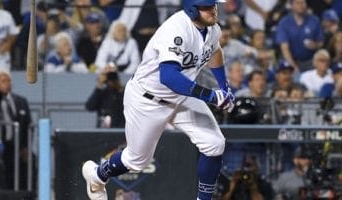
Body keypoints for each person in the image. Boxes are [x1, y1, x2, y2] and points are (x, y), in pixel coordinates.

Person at [82, 1, 235, 200]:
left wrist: (224, 88)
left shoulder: (212, 28)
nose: (213, 10)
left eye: (213, 5)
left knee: (215, 144)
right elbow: (169, 77)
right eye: (206, 6)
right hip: (147, 99)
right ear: (191, 8)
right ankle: (97, 175)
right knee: (137, 161)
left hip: (182, 95)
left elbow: (214, 52)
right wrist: (212, 96)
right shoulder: (176, 29)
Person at [0, 71, 33, 190]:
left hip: (17, 145)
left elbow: (27, 124)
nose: (6, 84)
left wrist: (25, 147)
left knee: (22, 170)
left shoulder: (21, 101)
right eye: (3, 81)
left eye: (8, 81)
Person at [276, 0, 324, 72]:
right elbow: (284, 48)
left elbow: (321, 42)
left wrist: (315, 45)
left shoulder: (314, 20)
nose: (301, 5)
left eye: (303, 2)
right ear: (291, 5)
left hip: (310, 60)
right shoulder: (284, 22)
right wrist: (293, 66)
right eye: (298, 3)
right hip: (291, 59)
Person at [0, 0, 19, 73]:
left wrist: (8, 43)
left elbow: (14, 33)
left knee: (4, 83)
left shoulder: (6, 15)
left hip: (3, 61)